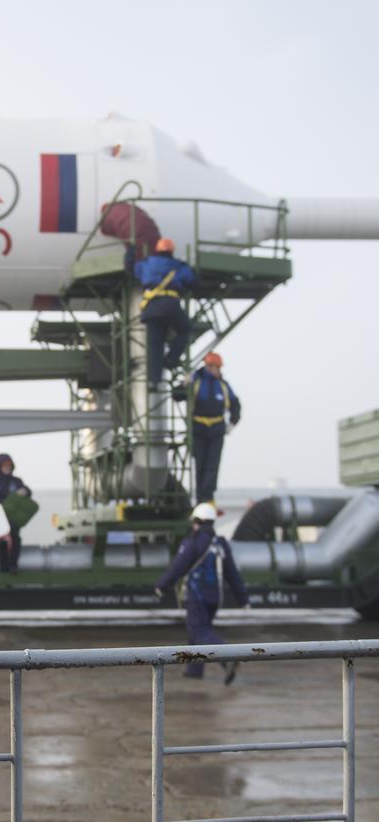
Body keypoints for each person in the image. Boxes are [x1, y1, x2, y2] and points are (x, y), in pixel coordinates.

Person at [154, 502, 250, 683]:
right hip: (215, 598)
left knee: (199, 632)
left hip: (197, 596)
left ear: (196, 521)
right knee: (196, 633)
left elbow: (178, 567)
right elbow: (232, 573)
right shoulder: (220, 544)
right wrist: (243, 598)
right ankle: (194, 670)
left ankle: (228, 658)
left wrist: (162, 586)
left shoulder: (193, 542)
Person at [128, 237, 197, 387]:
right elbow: (192, 280)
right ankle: (171, 360)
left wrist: (130, 252)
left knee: (155, 345)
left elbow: (131, 269)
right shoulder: (178, 266)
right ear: (171, 251)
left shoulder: (146, 264)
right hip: (171, 306)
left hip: (152, 308)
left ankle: (154, 381)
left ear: (157, 250)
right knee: (185, 331)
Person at [190, 352, 240, 504]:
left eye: (217, 368)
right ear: (207, 366)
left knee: (212, 465)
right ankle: (200, 498)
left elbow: (235, 404)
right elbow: (177, 395)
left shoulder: (223, 386)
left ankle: (208, 497)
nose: (215, 370)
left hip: (216, 428)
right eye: (213, 367)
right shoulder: (196, 382)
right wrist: (184, 383)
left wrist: (232, 422)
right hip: (198, 428)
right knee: (200, 464)